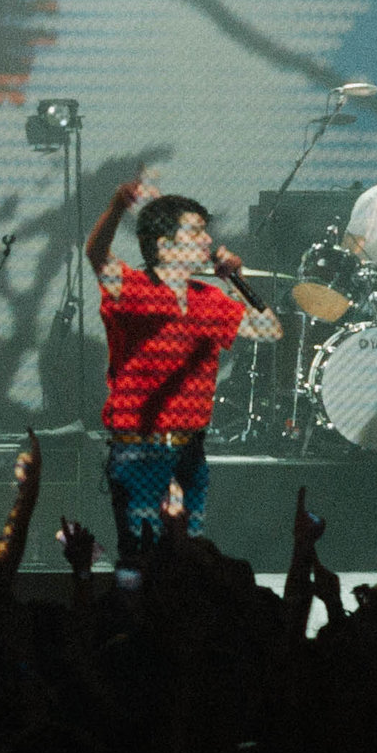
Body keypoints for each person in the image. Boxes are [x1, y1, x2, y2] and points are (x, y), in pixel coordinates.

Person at [83, 177, 274, 562]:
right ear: (165, 246)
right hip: (140, 445)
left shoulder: (210, 298)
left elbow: (269, 329)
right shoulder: (131, 289)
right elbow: (96, 254)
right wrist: (118, 206)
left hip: (190, 445)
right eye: (197, 232)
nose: (208, 241)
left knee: (187, 553)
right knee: (139, 551)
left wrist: (236, 279)